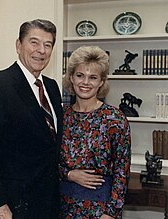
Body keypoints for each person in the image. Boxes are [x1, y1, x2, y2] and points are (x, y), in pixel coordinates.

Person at [0, 19, 63, 219]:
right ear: (19, 45)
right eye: (34, 42)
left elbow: (51, 145)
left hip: (49, 201)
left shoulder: (52, 88)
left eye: (48, 45)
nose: (41, 50)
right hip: (13, 205)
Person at [59, 46, 131, 219]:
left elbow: (122, 171)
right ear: (71, 78)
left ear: (101, 82)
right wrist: (68, 175)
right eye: (80, 75)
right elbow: (46, 162)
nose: (85, 82)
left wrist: (111, 213)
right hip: (60, 206)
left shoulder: (115, 118)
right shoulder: (61, 116)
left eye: (93, 77)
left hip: (100, 210)